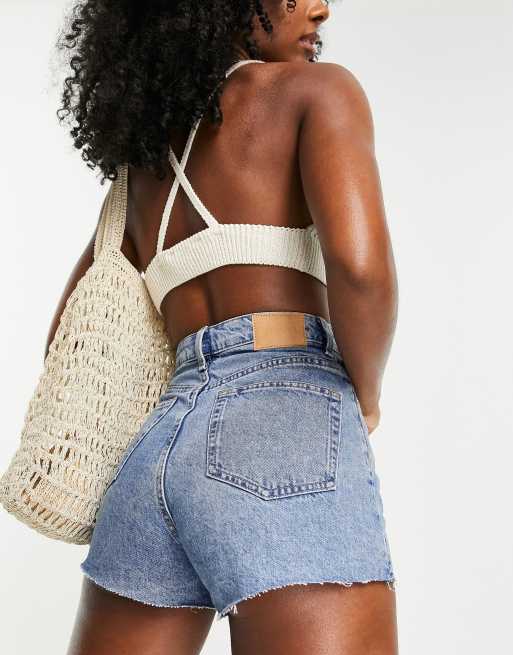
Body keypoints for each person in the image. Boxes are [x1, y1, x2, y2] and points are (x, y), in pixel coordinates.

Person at [52, 1, 399, 653]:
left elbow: (68, 339)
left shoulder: (143, 168)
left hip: (157, 448)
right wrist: (368, 393)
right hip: (281, 411)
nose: (321, 8)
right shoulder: (316, 93)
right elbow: (359, 267)